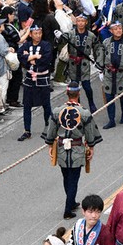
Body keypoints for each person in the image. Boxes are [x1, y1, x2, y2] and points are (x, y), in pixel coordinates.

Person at [44, 81, 102, 219]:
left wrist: (49, 145)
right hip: (77, 148)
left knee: (66, 177)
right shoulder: (84, 112)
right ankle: (67, 209)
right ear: (79, 93)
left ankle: (71, 202)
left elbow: (51, 131)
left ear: (66, 93)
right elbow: (90, 133)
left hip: (62, 148)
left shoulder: (58, 111)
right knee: (74, 179)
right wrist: (91, 147)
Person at [17, 25, 53, 142]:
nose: (38, 35)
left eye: (39, 33)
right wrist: (30, 58)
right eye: (35, 33)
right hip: (29, 79)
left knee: (46, 104)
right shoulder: (26, 45)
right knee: (27, 105)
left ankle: (49, 127)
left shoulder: (46, 45)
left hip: (42, 78)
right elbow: (20, 55)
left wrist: (32, 59)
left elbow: (46, 59)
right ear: (31, 34)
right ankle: (27, 130)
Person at [60, 14, 100, 114]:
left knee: (87, 86)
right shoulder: (70, 34)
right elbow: (62, 41)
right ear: (76, 22)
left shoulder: (91, 35)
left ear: (86, 22)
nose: (81, 23)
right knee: (74, 86)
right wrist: (60, 36)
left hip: (84, 62)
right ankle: (77, 105)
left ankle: (91, 103)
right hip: (73, 63)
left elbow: (97, 49)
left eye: (83, 21)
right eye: (79, 21)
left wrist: (98, 61)